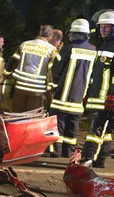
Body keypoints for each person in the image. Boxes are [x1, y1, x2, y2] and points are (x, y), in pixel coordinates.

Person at [46, 19, 96, 158]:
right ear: (87, 34)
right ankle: (68, 152)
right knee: (72, 128)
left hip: (61, 98)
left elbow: (56, 70)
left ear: (72, 33)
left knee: (57, 125)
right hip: (78, 100)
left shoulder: (67, 49)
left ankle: (55, 151)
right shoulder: (94, 51)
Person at [81, 11, 114, 168]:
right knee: (104, 131)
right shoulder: (102, 46)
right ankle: (100, 160)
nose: (103, 30)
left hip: (106, 97)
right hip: (96, 96)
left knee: (95, 129)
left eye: (107, 27)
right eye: (101, 27)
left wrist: (112, 95)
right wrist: (88, 93)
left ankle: (87, 158)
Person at [4, 25, 59, 112]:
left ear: (39, 33)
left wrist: (7, 75)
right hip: (37, 90)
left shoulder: (24, 44)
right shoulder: (52, 50)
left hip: (20, 86)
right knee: (32, 117)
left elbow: (12, 61)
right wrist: (52, 88)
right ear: (50, 36)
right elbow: (54, 71)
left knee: (17, 114)